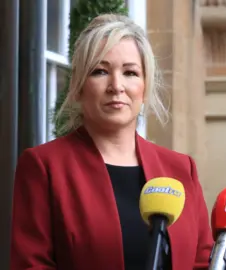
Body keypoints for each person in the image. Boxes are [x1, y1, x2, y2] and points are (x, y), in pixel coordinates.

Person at [10, 14, 213, 270]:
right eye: (100, 71)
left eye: (130, 72)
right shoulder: (44, 167)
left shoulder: (181, 169)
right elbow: (31, 265)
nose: (116, 86)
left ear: (145, 86)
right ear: (79, 86)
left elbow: (202, 262)